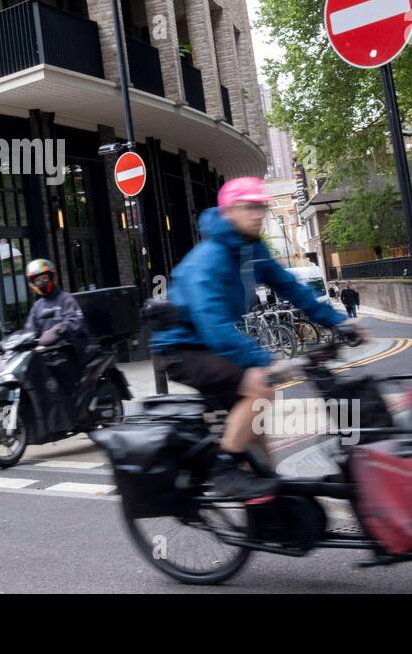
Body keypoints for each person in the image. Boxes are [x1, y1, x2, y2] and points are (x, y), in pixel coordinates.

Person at [151, 176, 356, 500]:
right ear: (229, 211)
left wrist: (339, 322)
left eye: (261, 206)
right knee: (259, 388)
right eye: (250, 207)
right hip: (182, 349)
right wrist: (264, 361)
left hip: (208, 343)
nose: (258, 214)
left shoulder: (251, 249)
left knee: (255, 424)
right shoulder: (211, 257)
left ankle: (268, 492)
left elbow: (290, 287)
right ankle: (224, 469)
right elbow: (213, 323)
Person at [24, 258, 88, 393]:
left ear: (52, 277)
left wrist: (60, 329)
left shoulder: (66, 299)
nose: (41, 282)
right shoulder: (37, 307)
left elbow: (75, 322)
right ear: (32, 283)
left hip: (69, 348)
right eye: (37, 280)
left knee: (60, 366)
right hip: (47, 351)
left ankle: (71, 404)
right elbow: (30, 330)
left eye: (44, 278)